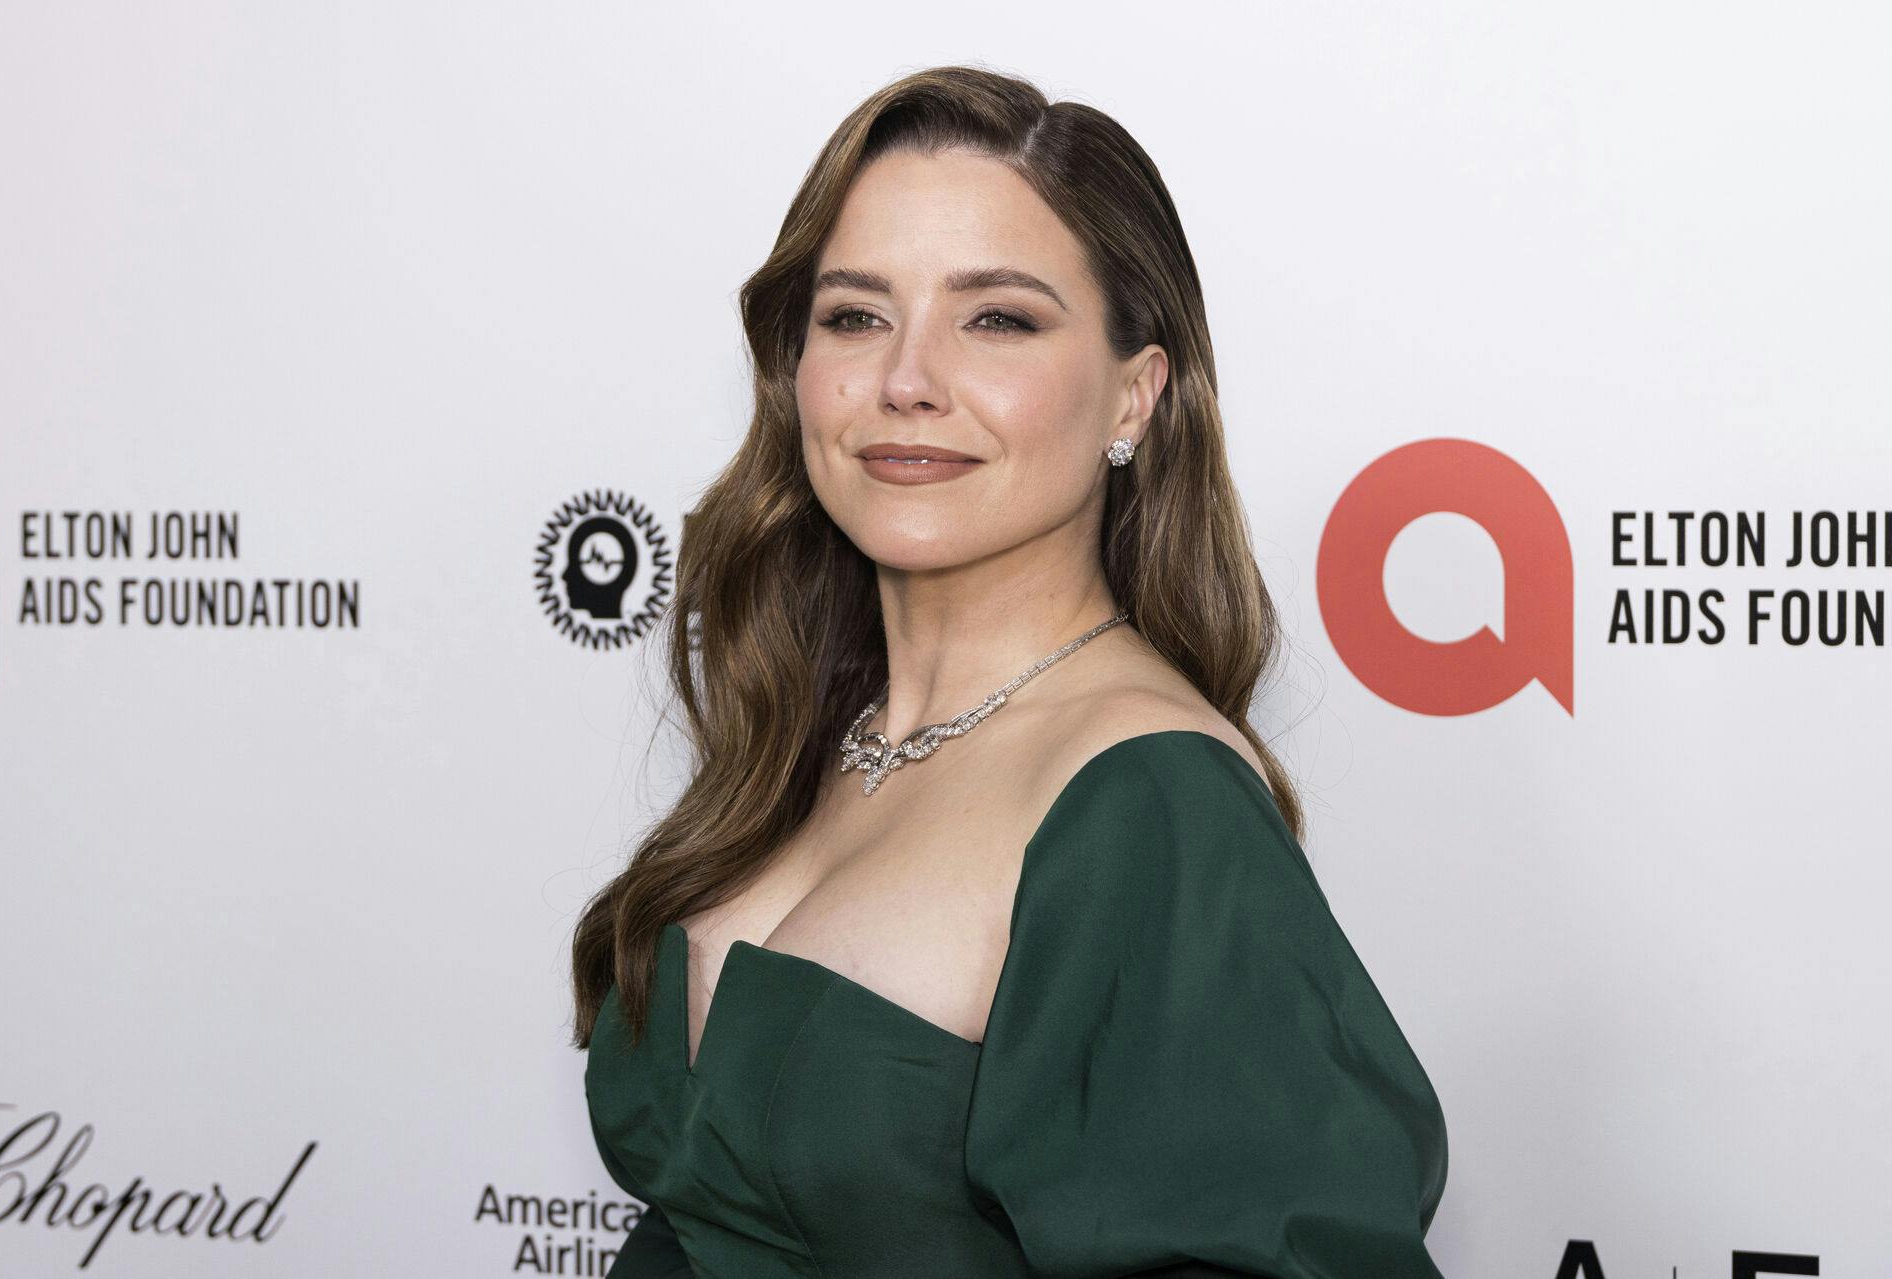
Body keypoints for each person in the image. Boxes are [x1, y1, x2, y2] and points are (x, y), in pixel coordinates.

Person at [570, 64, 1449, 1277]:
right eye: (855, 315)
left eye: (997, 319)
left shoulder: (1150, 805)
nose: (906, 380)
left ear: (1134, 395)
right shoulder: (806, 734)